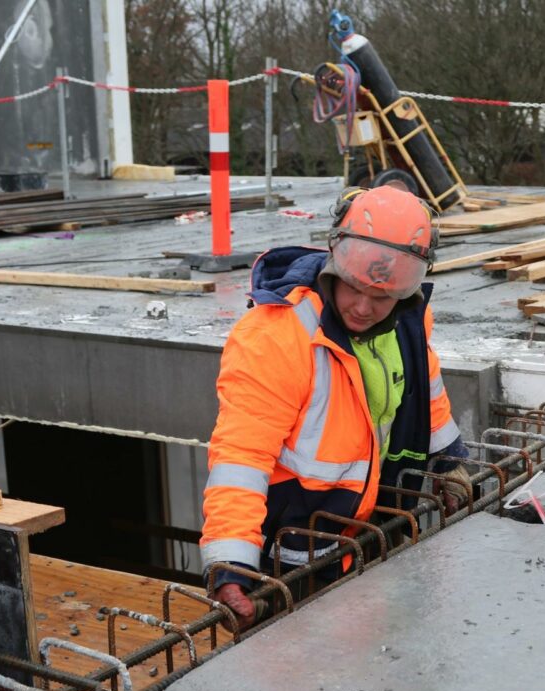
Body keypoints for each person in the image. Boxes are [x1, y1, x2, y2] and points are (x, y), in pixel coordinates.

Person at [201, 185, 470, 628]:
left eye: (381, 297)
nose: (363, 308)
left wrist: (448, 459)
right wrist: (232, 565)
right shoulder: (276, 337)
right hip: (292, 555)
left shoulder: (407, 318)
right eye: (353, 288)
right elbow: (240, 457)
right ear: (334, 259)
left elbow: (426, 386)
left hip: (369, 531)